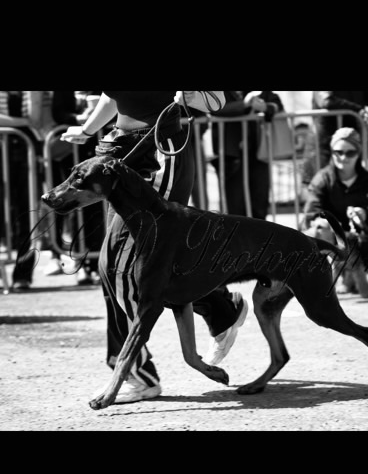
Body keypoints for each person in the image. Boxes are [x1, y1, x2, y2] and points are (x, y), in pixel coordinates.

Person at [61, 91, 249, 402]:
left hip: (161, 152)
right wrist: (86, 129)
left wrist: (191, 95)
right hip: (121, 149)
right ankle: (221, 308)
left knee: (122, 267)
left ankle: (138, 376)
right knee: (117, 265)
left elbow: (216, 100)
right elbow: (112, 95)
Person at [303, 127, 368, 295]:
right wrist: (328, 225)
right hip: (329, 239)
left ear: (359, 153)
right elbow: (311, 214)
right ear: (332, 152)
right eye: (338, 152)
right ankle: (335, 283)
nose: (343, 157)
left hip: (360, 238)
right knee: (330, 259)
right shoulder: (321, 180)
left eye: (350, 153)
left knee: (361, 260)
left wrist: (366, 213)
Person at [0, 91, 48, 291]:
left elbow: (36, 119)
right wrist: (23, 121)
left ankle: (22, 275)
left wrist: (17, 120)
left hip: (26, 147)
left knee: (27, 214)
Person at [45, 89, 105, 283]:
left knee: (96, 208)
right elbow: (58, 113)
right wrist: (80, 119)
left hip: (96, 152)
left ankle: (94, 264)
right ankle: (80, 261)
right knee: (74, 208)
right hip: (70, 154)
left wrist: (94, 120)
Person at [211, 90, 284, 220]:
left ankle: (260, 232)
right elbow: (214, 108)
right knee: (234, 207)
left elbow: (276, 102)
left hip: (258, 152)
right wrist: (244, 104)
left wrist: (266, 107)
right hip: (231, 154)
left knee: (260, 201)